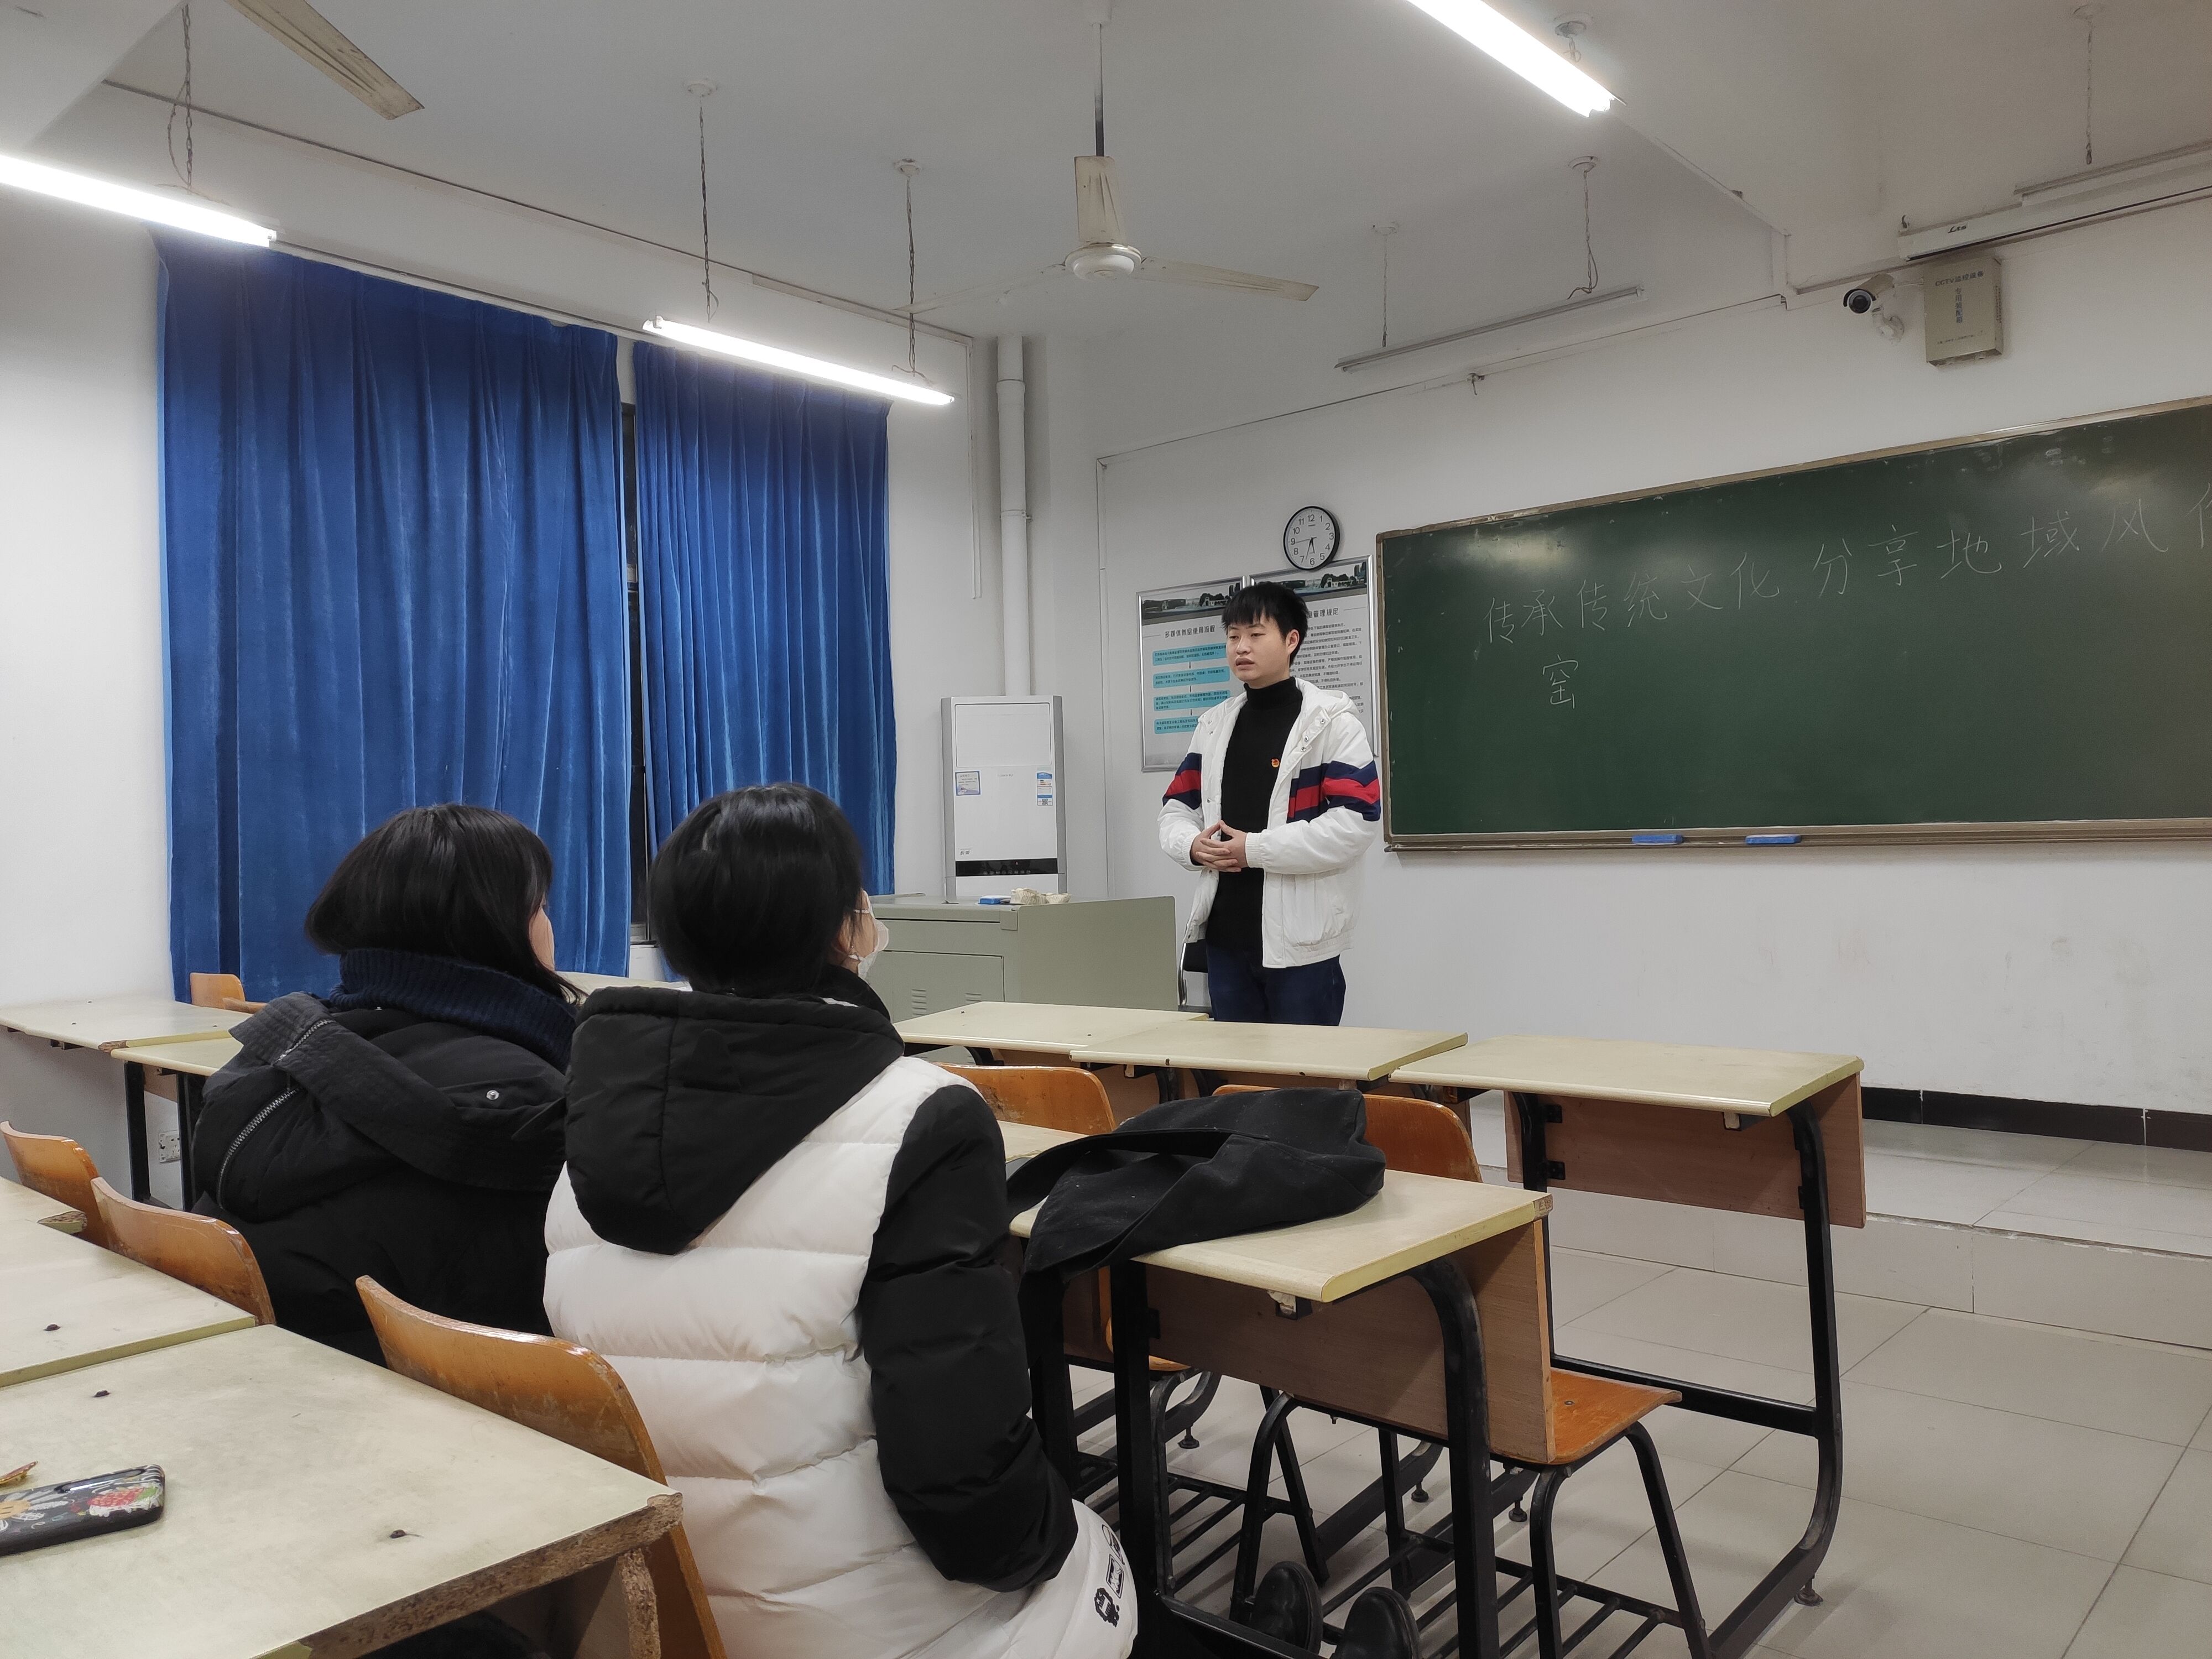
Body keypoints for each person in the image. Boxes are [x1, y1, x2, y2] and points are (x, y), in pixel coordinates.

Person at [542, 783, 1134, 1659]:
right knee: (1104, 1558)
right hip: (855, 1627)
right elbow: (964, 1484)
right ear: (843, 931)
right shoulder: (924, 1118)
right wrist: (1052, 1539)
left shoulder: (589, 1124)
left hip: (644, 1612)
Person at [191, 805, 574, 1361]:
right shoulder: (529, 1101)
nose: (548, 925)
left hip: (253, 1360)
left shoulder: (284, 1054)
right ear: (496, 931)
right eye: (540, 907)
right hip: (415, 1394)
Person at [1158, 580, 1380, 1025]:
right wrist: (1191, 846)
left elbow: (1355, 824)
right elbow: (1176, 809)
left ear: (1291, 640)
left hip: (1301, 946)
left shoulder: (1332, 725)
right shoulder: (1214, 726)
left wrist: (1254, 850)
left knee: (1303, 1069)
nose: (1241, 647)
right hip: (1226, 939)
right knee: (1236, 1070)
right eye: (1233, 636)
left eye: (1256, 635)